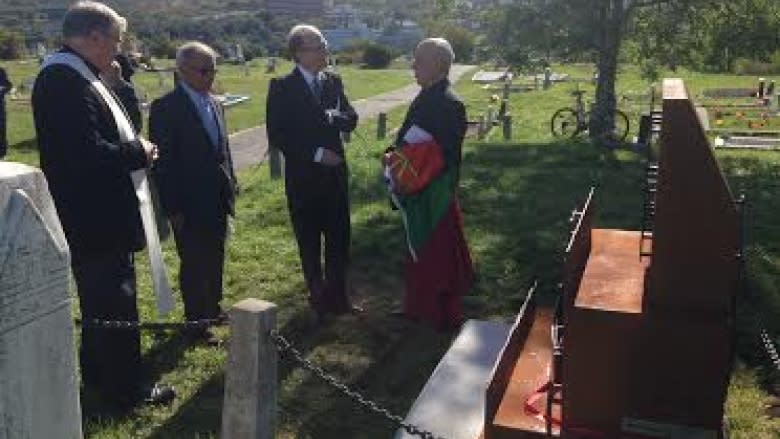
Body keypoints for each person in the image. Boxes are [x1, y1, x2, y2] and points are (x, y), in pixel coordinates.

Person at [31, 1, 174, 408]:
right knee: (115, 302)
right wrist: (138, 152)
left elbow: (114, 123)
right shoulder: (62, 80)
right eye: (116, 39)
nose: (119, 48)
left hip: (99, 214)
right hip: (95, 218)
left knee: (103, 304)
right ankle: (125, 390)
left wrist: (118, 80)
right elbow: (85, 155)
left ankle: (98, 375)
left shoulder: (79, 74)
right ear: (93, 36)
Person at [266, 24, 360, 319]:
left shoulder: (333, 81)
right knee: (309, 241)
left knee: (338, 239)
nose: (324, 51)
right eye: (317, 46)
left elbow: (351, 118)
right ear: (298, 53)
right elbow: (279, 135)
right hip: (304, 181)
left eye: (324, 44)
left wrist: (336, 118)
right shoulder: (282, 87)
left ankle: (339, 297)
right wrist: (317, 154)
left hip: (335, 179)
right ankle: (318, 297)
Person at [150, 42, 238, 343]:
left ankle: (212, 307)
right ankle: (196, 322)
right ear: (183, 70)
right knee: (194, 261)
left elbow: (222, 150)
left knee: (216, 255)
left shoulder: (214, 103)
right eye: (204, 70)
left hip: (217, 196)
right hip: (188, 202)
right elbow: (164, 165)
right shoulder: (167, 108)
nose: (210, 76)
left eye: (213, 69)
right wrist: (173, 208)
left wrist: (232, 182)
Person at [389, 38, 474, 331]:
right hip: (419, 189)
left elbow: (445, 155)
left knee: (437, 254)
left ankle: (440, 314)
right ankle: (417, 305)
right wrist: (396, 155)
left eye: (419, 60)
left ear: (439, 65)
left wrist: (404, 160)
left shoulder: (449, 103)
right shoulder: (429, 94)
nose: (413, 65)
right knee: (419, 251)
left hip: (433, 193)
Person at [0, 66, 11, 158]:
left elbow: (9, 85)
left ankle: (2, 152)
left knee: (1, 128)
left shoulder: (1, 71)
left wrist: (1, 90)